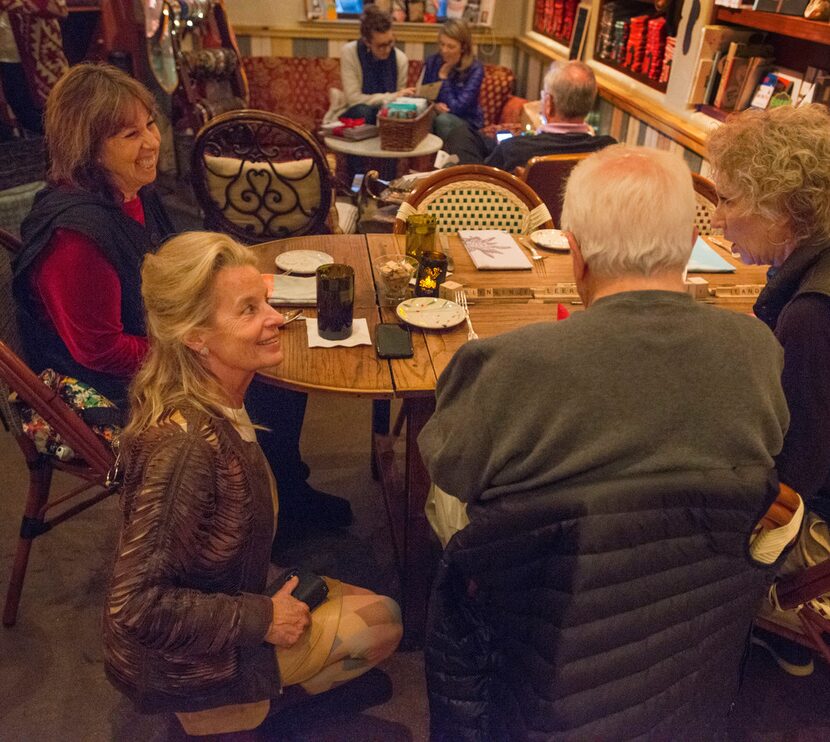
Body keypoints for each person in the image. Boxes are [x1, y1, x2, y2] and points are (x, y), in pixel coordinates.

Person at [418, 145, 790, 739]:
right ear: (688, 245)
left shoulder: (505, 363)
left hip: (540, 635)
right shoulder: (758, 350)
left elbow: (453, 468)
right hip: (691, 644)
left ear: (577, 254)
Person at [11, 62, 351, 529]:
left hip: (153, 344)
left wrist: (234, 296)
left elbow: (171, 273)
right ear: (88, 148)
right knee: (267, 372)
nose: (152, 141)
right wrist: (204, 348)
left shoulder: (130, 192)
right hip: (101, 389)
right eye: (129, 135)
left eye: (150, 123)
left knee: (272, 345)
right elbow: (98, 351)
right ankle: (259, 523)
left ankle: (284, 492)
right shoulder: (75, 239)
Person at [103, 231, 402, 736]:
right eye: (247, 310)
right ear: (195, 336)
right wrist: (260, 619)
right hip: (189, 665)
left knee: (350, 590)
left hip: (214, 616)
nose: (275, 318)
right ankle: (228, 714)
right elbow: (134, 606)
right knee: (386, 622)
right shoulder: (187, 449)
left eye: (265, 300)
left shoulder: (216, 398)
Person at [708, 103, 830, 676]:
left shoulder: (812, 313)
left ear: (783, 209)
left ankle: (760, 620)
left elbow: (794, 477)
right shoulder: (807, 278)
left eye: (728, 200)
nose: (717, 219)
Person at [442, 60, 616, 172]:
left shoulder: (514, 150)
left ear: (549, 104)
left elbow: (483, 187)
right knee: (468, 135)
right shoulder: (609, 149)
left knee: (460, 135)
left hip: (516, 222)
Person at [332, 4, 413, 126]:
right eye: (381, 46)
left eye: (390, 42)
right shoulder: (350, 52)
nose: (387, 50)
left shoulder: (400, 59)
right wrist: (392, 96)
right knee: (365, 111)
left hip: (386, 114)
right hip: (357, 113)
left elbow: (398, 103)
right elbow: (354, 100)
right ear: (367, 42)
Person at [421, 19, 484, 141]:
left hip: (467, 122)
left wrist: (444, 78)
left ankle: (449, 158)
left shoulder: (475, 69)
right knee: (427, 116)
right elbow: (423, 96)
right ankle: (426, 158)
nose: (444, 50)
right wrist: (434, 106)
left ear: (463, 48)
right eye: (442, 44)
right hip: (437, 114)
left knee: (443, 120)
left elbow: (457, 108)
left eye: (450, 46)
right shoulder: (433, 61)